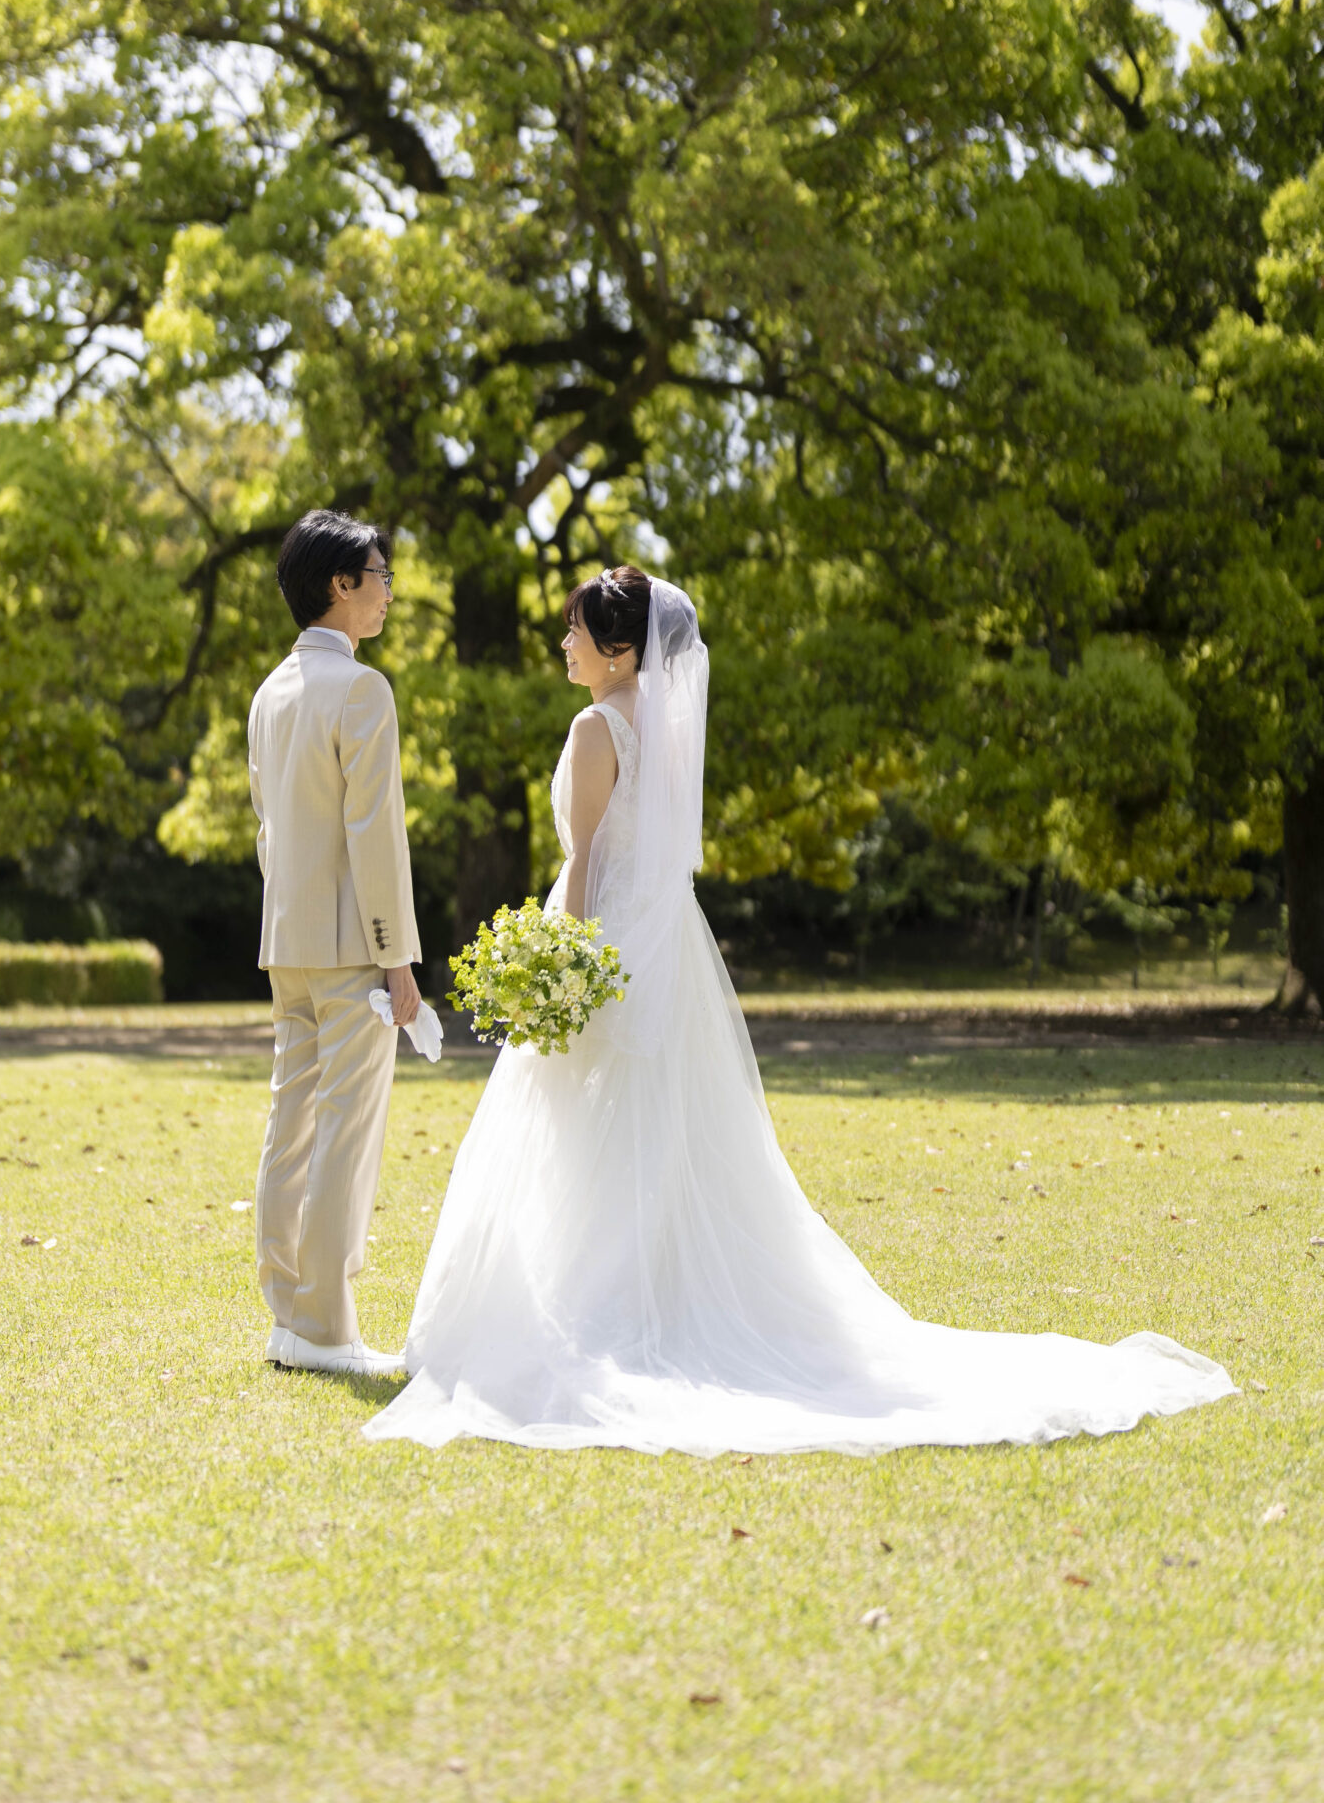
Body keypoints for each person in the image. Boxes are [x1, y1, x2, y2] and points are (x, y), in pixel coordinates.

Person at [366, 565, 1235, 1455]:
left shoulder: (597, 728)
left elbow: (585, 859)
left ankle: (593, 1311)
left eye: (577, 631)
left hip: (604, 941)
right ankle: (629, 1291)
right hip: (660, 944)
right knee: (649, 1131)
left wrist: (569, 967)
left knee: (586, 1127)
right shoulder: (657, 728)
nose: (564, 643)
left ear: (622, 651)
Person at [248, 509, 422, 1377]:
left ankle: (290, 1314)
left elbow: (267, 834)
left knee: (292, 1124)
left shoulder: (269, 691)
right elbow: (375, 834)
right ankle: (325, 1329)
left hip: (286, 943)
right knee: (344, 1133)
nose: (388, 590)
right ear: (338, 585)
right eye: (379, 575)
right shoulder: (361, 689)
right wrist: (398, 958)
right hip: (354, 946)